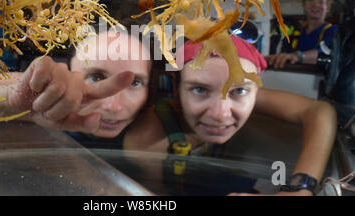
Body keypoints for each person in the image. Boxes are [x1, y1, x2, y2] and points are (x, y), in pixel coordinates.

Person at [123, 35, 337, 195]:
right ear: (176, 88)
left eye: (239, 91)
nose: (220, 114)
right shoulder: (145, 138)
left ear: (255, 90)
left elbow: (320, 111)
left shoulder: (246, 94)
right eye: (199, 90)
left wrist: (299, 188)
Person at [0, 25, 152, 143]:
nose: (113, 106)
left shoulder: (154, 130)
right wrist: (12, 98)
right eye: (96, 77)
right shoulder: (42, 99)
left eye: (136, 83)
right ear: (71, 69)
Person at [266, 0, 338, 69]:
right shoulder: (296, 32)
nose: (315, 5)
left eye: (321, 2)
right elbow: (285, 53)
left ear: (328, 8)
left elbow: (326, 53)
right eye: (311, 0)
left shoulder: (332, 31)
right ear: (303, 4)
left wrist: (297, 56)